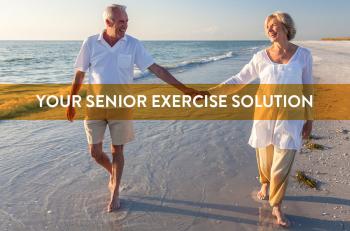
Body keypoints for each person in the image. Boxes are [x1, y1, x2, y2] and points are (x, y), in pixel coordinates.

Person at [66, 4, 200, 213]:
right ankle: (113, 172)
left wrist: (185, 90)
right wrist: (71, 101)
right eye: (121, 22)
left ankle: (115, 192)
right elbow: (80, 73)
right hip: (95, 106)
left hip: (122, 107)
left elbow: (156, 69)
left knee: (117, 149)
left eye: (127, 21)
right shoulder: (91, 43)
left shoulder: (133, 44)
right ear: (108, 22)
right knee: (95, 152)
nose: (125, 26)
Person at [208, 12, 313, 227]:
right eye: (267, 27)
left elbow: (308, 89)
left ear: (286, 28)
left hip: (291, 117)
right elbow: (239, 79)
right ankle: (264, 183)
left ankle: (276, 205)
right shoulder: (260, 57)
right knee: (265, 159)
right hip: (264, 116)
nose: (270, 30)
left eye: (274, 26)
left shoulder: (303, 55)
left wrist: (310, 119)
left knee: (281, 163)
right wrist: (211, 93)